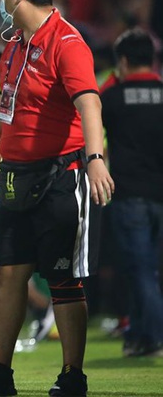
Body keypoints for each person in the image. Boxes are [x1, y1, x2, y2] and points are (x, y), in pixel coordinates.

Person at [0, 0, 115, 397]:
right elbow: (3, 115)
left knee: (63, 280)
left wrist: (95, 157)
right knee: (9, 277)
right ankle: (0, 374)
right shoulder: (16, 47)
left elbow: (89, 103)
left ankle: (72, 376)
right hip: (15, 178)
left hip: (62, 176)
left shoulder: (68, 42)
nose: (1, 1)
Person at [101, 28, 163, 358]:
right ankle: (139, 335)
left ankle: (152, 335)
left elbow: (92, 139)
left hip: (130, 195)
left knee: (138, 268)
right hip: (159, 194)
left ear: (123, 61)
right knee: (149, 270)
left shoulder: (113, 97)